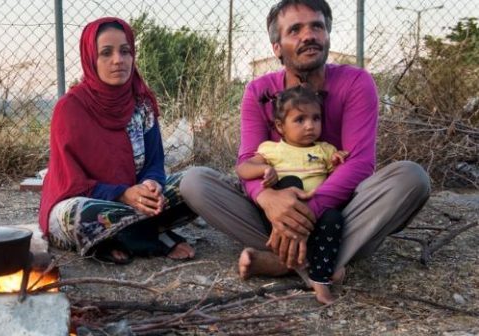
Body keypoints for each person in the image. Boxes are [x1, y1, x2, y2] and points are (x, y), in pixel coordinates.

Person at [180, 0, 430, 301]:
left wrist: (303, 216)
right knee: (194, 182)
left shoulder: (356, 82)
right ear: (277, 47)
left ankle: (280, 261)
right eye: (295, 30)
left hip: (339, 214)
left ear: (327, 36)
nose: (308, 35)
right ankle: (322, 265)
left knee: (411, 178)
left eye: (317, 27)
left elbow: (360, 164)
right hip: (272, 214)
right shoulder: (258, 92)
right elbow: (247, 163)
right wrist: (267, 198)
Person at [39, 17, 196, 265]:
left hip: (135, 201)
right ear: (91, 58)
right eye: (106, 53)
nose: (118, 60)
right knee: (80, 215)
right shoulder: (70, 109)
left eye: (125, 51)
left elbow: (155, 162)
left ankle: (123, 236)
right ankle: (154, 236)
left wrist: (151, 185)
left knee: (195, 184)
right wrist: (122, 194)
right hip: (87, 203)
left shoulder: (142, 104)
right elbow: (72, 182)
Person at [237, 85, 349, 304]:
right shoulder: (271, 150)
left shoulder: (324, 150)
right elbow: (243, 169)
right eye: (300, 120)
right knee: (289, 183)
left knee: (334, 217)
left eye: (316, 119)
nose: (310, 126)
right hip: (281, 220)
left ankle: (318, 277)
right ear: (280, 126)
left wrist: (338, 163)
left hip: (315, 218)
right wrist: (264, 170)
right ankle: (317, 268)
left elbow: (338, 180)